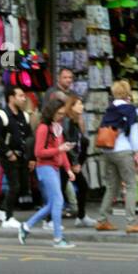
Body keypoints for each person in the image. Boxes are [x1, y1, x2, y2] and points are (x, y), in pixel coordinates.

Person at [16, 97, 76, 249]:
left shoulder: (57, 127)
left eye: (63, 113)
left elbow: (61, 151)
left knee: (52, 204)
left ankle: (26, 226)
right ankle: (57, 238)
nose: (61, 116)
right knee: (58, 201)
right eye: (59, 113)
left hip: (53, 168)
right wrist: (59, 150)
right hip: (45, 168)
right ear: (52, 112)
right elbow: (39, 152)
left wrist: (68, 169)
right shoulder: (44, 128)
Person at [94, 79, 138, 234]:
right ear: (127, 92)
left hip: (108, 151)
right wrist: (137, 154)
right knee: (130, 185)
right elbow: (134, 135)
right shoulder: (129, 109)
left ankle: (102, 220)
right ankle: (131, 222)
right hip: (123, 151)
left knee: (111, 186)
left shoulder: (110, 109)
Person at [0, 84, 31, 230]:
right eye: (20, 96)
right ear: (11, 98)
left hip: (21, 157)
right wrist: (8, 152)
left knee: (21, 186)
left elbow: (28, 136)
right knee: (15, 185)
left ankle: (0, 209)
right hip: (8, 157)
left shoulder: (24, 116)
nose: (23, 98)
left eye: (23, 96)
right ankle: (8, 218)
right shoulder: (2, 115)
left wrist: (30, 156)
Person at [61, 93, 93, 227]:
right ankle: (49, 219)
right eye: (79, 104)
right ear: (72, 106)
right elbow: (70, 144)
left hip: (71, 163)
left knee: (80, 186)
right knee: (60, 189)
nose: (82, 106)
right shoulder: (68, 122)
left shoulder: (75, 121)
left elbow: (79, 142)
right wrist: (74, 163)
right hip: (66, 163)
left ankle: (81, 216)